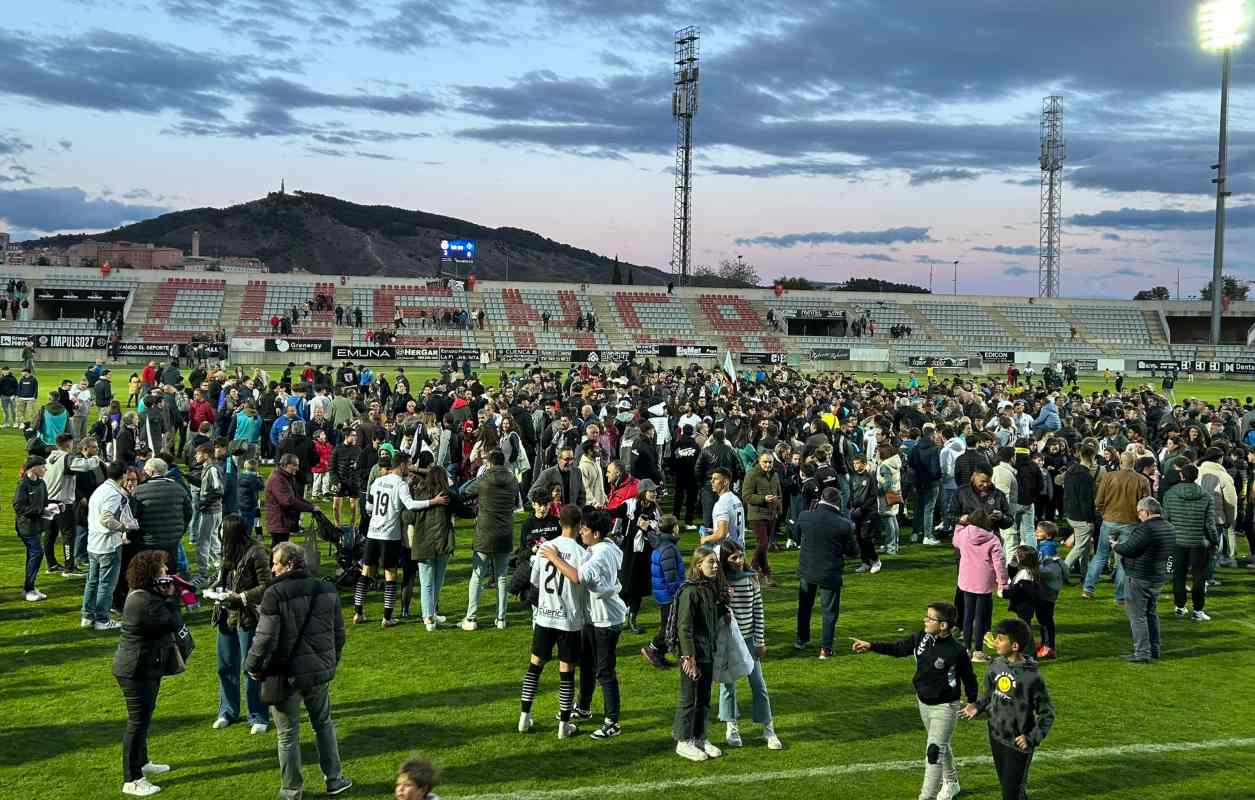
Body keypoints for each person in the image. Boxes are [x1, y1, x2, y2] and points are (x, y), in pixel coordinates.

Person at [245, 541, 352, 799]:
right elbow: (339, 634)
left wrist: (251, 667)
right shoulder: (326, 588)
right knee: (323, 724)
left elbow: (264, 638)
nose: (272, 569)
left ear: (290, 563)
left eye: (275, 563)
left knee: (287, 734)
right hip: (317, 673)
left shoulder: (275, 594)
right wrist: (330, 663)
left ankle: (292, 789)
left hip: (285, 674)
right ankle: (334, 779)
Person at [851, 602, 977, 800]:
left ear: (943, 625)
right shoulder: (921, 638)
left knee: (934, 750)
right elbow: (899, 648)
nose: (924, 620)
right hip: (923, 702)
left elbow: (969, 677)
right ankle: (951, 782)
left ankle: (925, 797)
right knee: (939, 744)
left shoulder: (956, 651)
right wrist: (871, 646)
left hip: (945, 706)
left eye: (930, 618)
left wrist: (972, 702)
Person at [540, 508, 628, 740]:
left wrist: (553, 557)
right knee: (587, 663)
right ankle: (584, 707)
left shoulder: (599, 554)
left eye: (586, 529)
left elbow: (577, 577)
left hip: (606, 619)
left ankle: (612, 721)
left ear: (596, 534)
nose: (581, 532)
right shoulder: (604, 547)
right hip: (595, 617)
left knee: (605, 671)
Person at [111, 550, 183, 797]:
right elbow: (172, 621)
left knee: (144, 718)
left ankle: (142, 762)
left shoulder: (145, 596)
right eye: (162, 569)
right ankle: (132, 779)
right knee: (137, 723)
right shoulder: (144, 601)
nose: (166, 572)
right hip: (135, 670)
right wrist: (172, 597)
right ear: (151, 574)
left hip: (144, 667)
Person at [961, 618, 1055, 800]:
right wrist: (977, 707)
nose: (995, 642)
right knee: (1009, 788)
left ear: (1014, 646)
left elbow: (1047, 713)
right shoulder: (995, 665)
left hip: (1018, 742)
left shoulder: (1031, 676)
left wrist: (1032, 737)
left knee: (1011, 793)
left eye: (1001, 639)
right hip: (995, 735)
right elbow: (989, 695)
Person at [518, 504, 588, 738]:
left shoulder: (545, 547)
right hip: (569, 620)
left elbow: (535, 582)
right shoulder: (580, 553)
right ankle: (563, 725)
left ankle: (523, 718)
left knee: (534, 666)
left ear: (560, 523)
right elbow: (583, 586)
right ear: (579, 526)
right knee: (566, 672)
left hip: (545, 616)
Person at [356, 452, 448, 627]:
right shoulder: (401, 484)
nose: (411, 468)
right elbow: (411, 505)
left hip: (372, 532)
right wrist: (433, 501)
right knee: (391, 574)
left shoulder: (377, 481)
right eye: (410, 464)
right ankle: (387, 617)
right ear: (403, 465)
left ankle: (358, 613)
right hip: (389, 535)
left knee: (365, 571)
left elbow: (368, 506)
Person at [717, 541, 782, 750]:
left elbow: (758, 612)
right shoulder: (720, 583)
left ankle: (768, 729)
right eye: (733, 558)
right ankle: (731, 726)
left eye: (740, 556)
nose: (739, 561)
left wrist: (760, 641)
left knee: (759, 685)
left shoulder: (751, 579)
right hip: (728, 641)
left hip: (748, 640)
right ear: (724, 561)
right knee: (728, 686)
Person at [212, 515, 272, 735]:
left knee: (252, 667)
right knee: (225, 666)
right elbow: (222, 579)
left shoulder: (257, 552)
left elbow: (267, 585)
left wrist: (243, 596)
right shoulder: (227, 553)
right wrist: (213, 590)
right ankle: (227, 711)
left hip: (249, 617)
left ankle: (258, 714)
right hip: (226, 616)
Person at [672, 544, 725, 762]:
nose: (715, 565)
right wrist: (689, 657)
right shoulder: (690, 591)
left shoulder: (710, 588)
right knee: (688, 698)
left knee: (704, 699)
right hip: (693, 655)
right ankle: (683, 741)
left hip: (707, 652)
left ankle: (699, 737)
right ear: (698, 565)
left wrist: (724, 607)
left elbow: (709, 618)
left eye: (715, 562)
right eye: (710, 562)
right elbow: (684, 627)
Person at [794, 486, 858, 658]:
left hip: (807, 569)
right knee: (829, 612)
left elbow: (795, 535)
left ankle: (801, 639)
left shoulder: (805, 516)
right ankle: (825, 648)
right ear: (839, 502)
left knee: (805, 607)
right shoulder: (843, 523)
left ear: (821, 498)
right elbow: (854, 552)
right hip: (829, 572)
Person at [460, 449, 519, 630]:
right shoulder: (512, 480)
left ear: (490, 463)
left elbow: (464, 491)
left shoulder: (484, 479)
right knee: (502, 576)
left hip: (485, 532)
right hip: (505, 531)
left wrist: (481, 474)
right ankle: (501, 618)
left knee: (477, 576)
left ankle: (471, 618)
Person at [1114, 497, 1175, 663]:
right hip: (1157, 576)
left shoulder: (1146, 529)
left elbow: (1129, 549)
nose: (1138, 516)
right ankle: (1154, 649)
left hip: (1140, 576)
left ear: (1145, 512)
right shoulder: (1169, 527)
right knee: (1151, 613)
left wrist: (1115, 546)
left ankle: (1142, 653)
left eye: (1139, 512)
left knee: (1137, 616)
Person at [1083, 451, 1150, 603]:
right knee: (1123, 560)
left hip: (1109, 520)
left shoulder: (1109, 476)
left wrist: (1103, 512)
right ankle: (1119, 596)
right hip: (1131, 523)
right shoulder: (1142, 480)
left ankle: (1088, 588)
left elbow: (1099, 499)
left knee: (1100, 555)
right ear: (1134, 463)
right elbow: (1146, 504)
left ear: (1121, 462)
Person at [83, 461, 136, 630]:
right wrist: (124, 527)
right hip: (108, 545)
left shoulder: (100, 490)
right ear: (124, 475)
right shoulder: (114, 494)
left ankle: (87, 615)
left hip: (93, 543)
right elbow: (106, 519)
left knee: (92, 581)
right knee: (106, 584)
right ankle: (102, 619)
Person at [1161, 463, 1218, 621]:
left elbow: (1166, 519)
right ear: (1196, 477)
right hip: (1199, 543)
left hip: (1178, 541)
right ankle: (1198, 611)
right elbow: (1209, 524)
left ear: (1181, 476)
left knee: (1178, 575)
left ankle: (1180, 607)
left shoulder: (1170, 494)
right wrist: (1214, 540)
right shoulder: (1206, 496)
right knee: (1199, 577)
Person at [953, 510, 1009, 662]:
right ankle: (978, 651)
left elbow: (955, 542)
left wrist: (959, 524)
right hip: (983, 581)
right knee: (980, 618)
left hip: (966, 579)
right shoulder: (993, 540)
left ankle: (966, 649)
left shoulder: (963, 533)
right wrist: (1002, 583)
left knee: (967, 615)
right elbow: (999, 564)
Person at [641, 514, 685, 668]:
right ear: (674, 528)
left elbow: (652, 536)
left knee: (670, 625)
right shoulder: (668, 549)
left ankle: (658, 653)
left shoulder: (660, 542)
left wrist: (647, 529)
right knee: (670, 627)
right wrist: (679, 594)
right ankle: (653, 649)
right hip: (669, 595)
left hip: (662, 593)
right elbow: (671, 577)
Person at [743, 450, 782, 587]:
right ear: (759, 461)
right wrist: (763, 499)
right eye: (765, 462)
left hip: (771, 515)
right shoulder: (752, 475)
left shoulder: (775, 475)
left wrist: (778, 509)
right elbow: (746, 496)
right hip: (756, 515)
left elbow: (778, 493)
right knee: (763, 543)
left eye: (770, 462)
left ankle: (765, 575)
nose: (768, 464)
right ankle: (753, 569)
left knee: (764, 546)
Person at [15, 456, 50, 602]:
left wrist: (54, 507)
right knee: (37, 552)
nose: (45, 469)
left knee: (34, 554)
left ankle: (30, 587)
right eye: (42, 466)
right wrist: (40, 511)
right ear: (33, 468)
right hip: (26, 527)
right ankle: (28, 589)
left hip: (37, 525)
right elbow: (19, 507)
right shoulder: (23, 485)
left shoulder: (41, 483)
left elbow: (45, 503)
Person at [264, 454, 316, 547]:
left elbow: (296, 497)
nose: (297, 468)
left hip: (284, 521)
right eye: (295, 465)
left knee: (279, 549)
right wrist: (311, 508)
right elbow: (288, 501)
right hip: (279, 522)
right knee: (278, 549)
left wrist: (311, 506)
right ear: (286, 465)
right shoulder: (278, 479)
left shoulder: (287, 477)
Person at [700, 467, 745, 550]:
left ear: (725, 482)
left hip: (726, 551)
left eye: (715, 479)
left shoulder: (721, 504)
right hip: (739, 547)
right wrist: (714, 529)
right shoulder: (736, 499)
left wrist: (705, 539)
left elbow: (721, 534)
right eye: (712, 479)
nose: (712, 481)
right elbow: (732, 525)